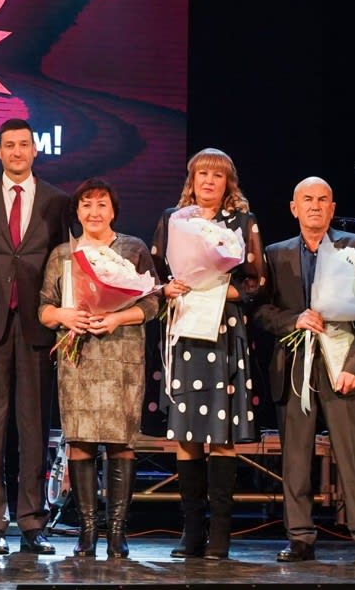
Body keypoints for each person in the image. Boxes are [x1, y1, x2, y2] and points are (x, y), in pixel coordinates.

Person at [253, 176, 355, 565]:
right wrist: (293, 320)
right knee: (295, 458)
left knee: (353, 455)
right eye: (307, 199)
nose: (315, 205)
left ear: (332, 208)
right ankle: (299, 537)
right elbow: (260, 310)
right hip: (294, 367)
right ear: (294, 208)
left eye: (322, 199)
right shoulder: (276, 253)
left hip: (341, 365)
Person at [0, 118, 70, 555]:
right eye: (9, 145)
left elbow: (64, 263)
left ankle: (32, 522)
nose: (17, 152)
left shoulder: (58, 200)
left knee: (33, 431)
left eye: (24, 144)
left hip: (37, 328)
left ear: (35, 150)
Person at [150, 148, 265, 560]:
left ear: (227, 182)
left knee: (221, 433)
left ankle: (219, 535)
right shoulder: (174, 220)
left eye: (217, 175)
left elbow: (257, 282)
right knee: (186, 433)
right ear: (192, 180)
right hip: (185, 331)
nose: (209, 182)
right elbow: (156, 273)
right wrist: (168, 289)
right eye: (202, 174)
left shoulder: (243, 222)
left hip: (223, 332)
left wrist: (221, 291)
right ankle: (192, 532)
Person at [39, 178, 159, 558]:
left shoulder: (133, 248)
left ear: (113, 210)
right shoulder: (63, 254)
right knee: (81, 442)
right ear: (77, 211)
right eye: (87, 204)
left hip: (122, 357)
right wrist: (64, 315)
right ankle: (88, 532)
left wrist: (117, 318)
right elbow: (44, 308)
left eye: (101, 204)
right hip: (79, 359)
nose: (94, 212)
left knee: (121, 443)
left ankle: (117, 533)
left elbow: (154, 303)